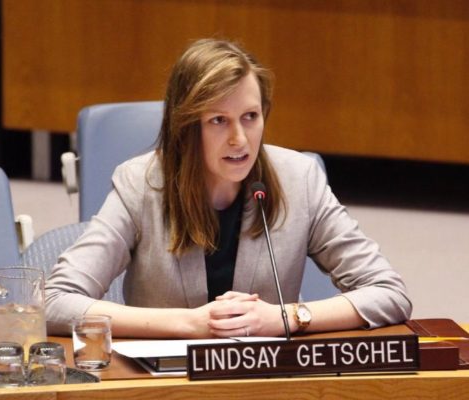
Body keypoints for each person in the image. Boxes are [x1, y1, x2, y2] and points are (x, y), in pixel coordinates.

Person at [45, 38, 412, 337]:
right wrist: (188, 324)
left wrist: (287, 317)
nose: (240, 139)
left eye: (250, 117)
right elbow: (53, 301)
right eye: (219, 120)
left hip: (264, 382)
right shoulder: (140, 185)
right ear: (186, 127)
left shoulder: (299, 179)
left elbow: (389, 293)